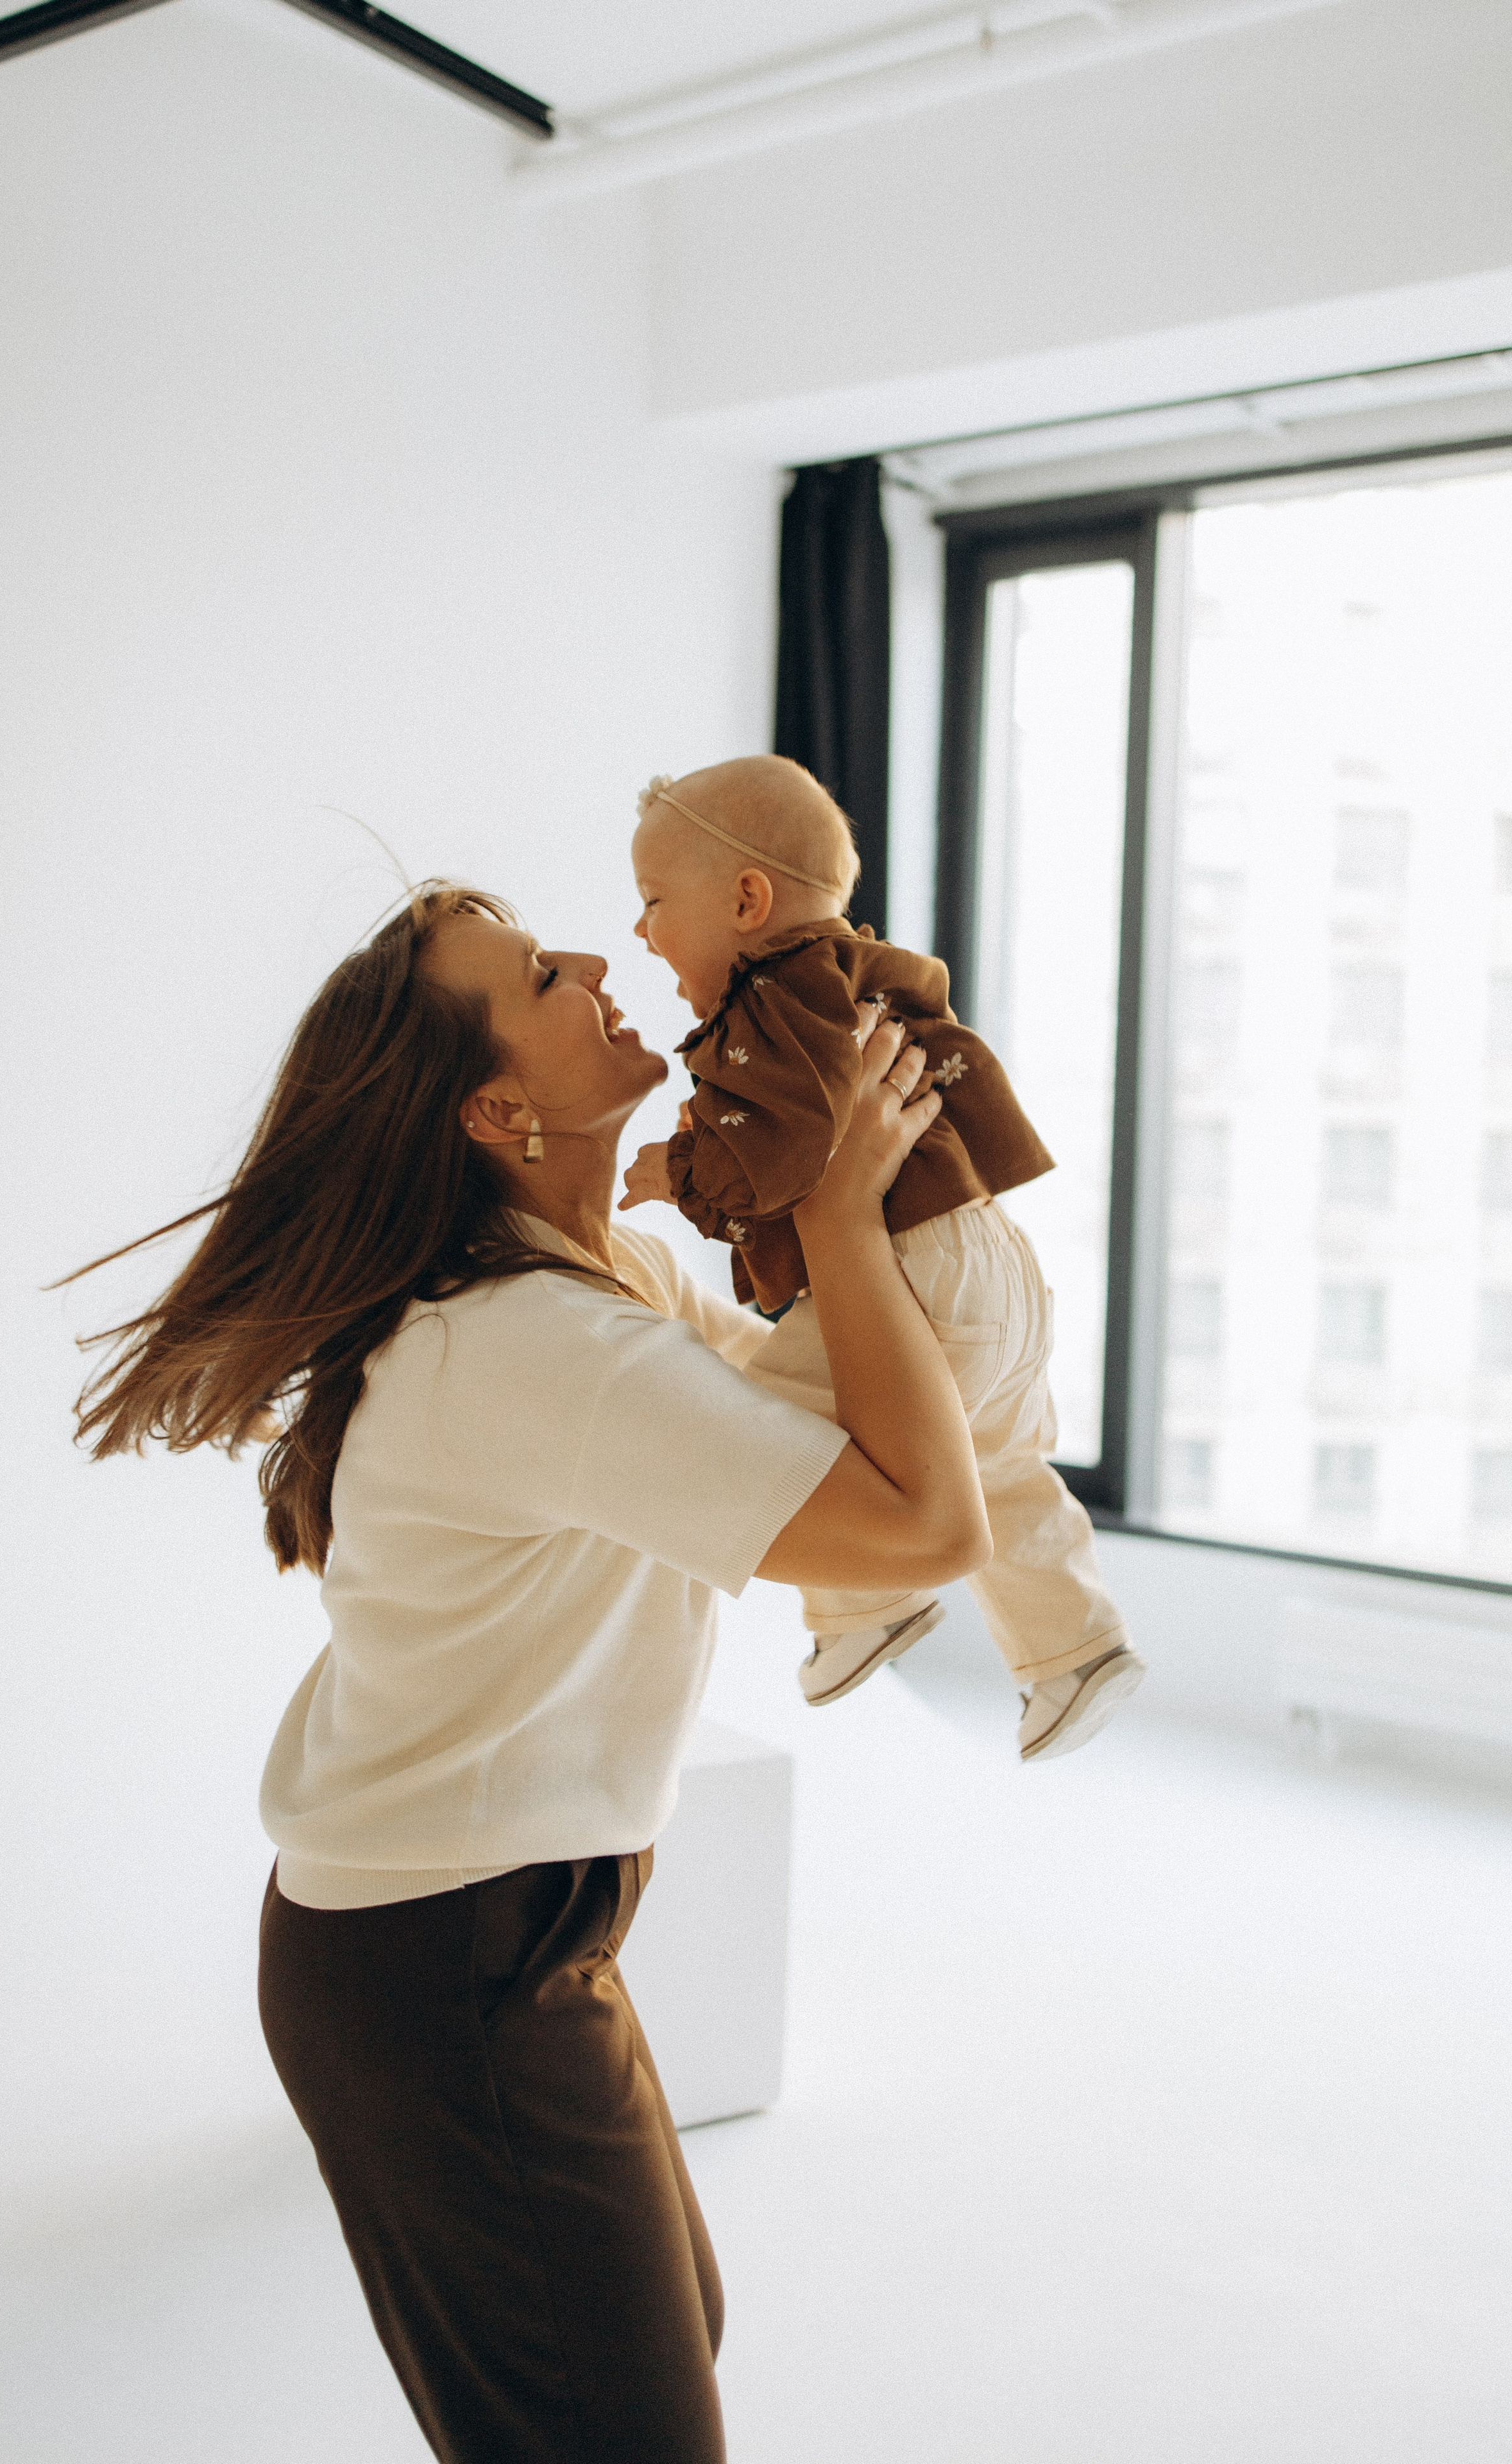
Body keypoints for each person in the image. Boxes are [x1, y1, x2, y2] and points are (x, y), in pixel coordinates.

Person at [67, 881, 990, 2464]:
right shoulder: (534, 1347)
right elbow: (917, 1526)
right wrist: (839, 1216)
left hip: (506, 1928)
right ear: (497, 1111)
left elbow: (816, 1423)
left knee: (658, 2354)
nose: (594, 961)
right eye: (542, 978)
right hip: (443, 1958)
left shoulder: (595, 1274)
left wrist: (821, 1173)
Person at [624, 757, 1144, 1760]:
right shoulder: (858, 978)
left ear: (747, 901)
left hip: (915, 1276)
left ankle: (863, 1606)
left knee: (780, 1430)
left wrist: (678, 1171)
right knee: (996, 1463)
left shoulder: (776, 1002)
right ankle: (1077, 1650)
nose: (642, 932)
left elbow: (780, 1154)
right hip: (993, 1262)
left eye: (653, 901)